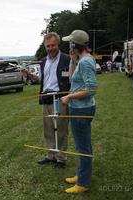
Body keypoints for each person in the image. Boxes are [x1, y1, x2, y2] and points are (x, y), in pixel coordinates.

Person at [61, 30, 97, 193]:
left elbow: (91, 89)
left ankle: (83, 183)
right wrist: (73, 59)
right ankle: (82, 175)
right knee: (83, 144)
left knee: (83, 147)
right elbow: (72, 79)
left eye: (71, 43)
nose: (69, 45)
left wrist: (69, 97)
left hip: (81, 109)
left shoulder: (86, 62)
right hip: (80, 108)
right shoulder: (81, 60)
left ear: (75, 45)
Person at [33, 32, 70, 168]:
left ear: (58, 44)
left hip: (60, 97)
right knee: (47, 128)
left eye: (53, 45)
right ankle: (51, 155)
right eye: (48, 46)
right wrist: (31, 76)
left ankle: (61, 158)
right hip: (46, 97)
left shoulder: (67, 59)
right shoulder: (43, 62)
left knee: (61, 128)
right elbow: (42, 80)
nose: (50, 48)